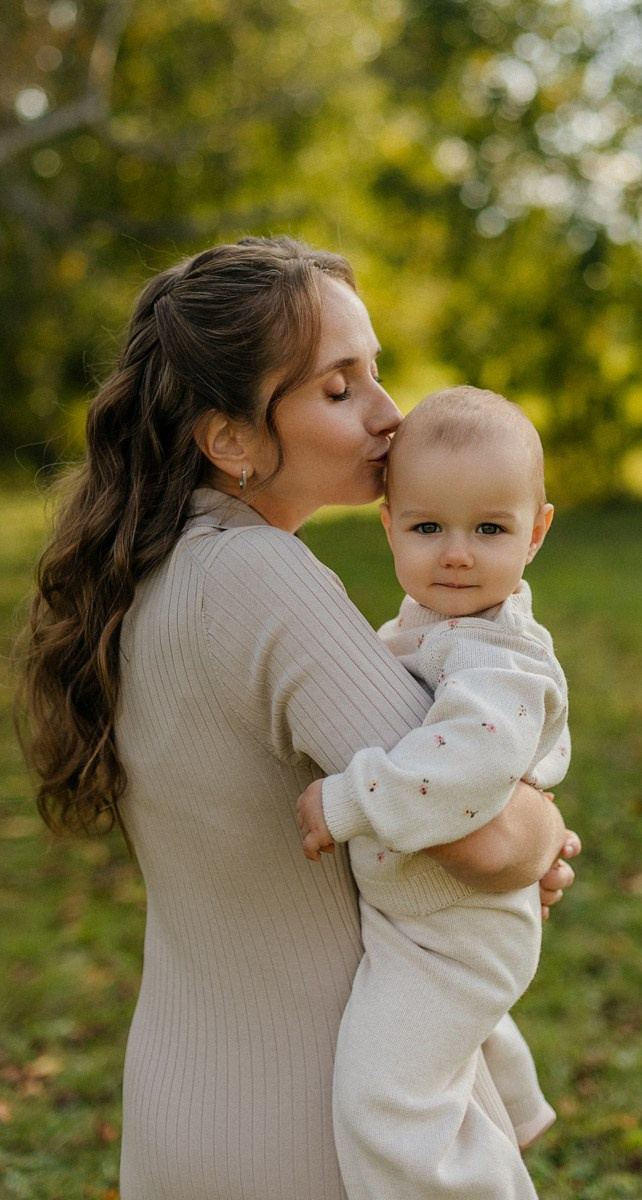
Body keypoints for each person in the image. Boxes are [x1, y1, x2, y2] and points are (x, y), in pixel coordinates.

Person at [20, 236, 579, 1200]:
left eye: (377, 371)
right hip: (312, 1121)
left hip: (180, 1096)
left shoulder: (151, 570)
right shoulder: (262, 578)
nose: (387, 413)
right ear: (230, 437)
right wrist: (545, 830)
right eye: (338, 386)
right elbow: (483, 841)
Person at [297, 386, 571, 1199]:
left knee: (386, 1095)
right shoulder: (428, 626)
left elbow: (465, 769)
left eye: (489, 529)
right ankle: (511, 1096)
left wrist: (348, 801)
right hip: (425, 912)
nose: (457, 553)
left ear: (537, 532)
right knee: (442, 1032)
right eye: (427, 528)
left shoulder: (499, 660)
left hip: (457, 926)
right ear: (389, 527)